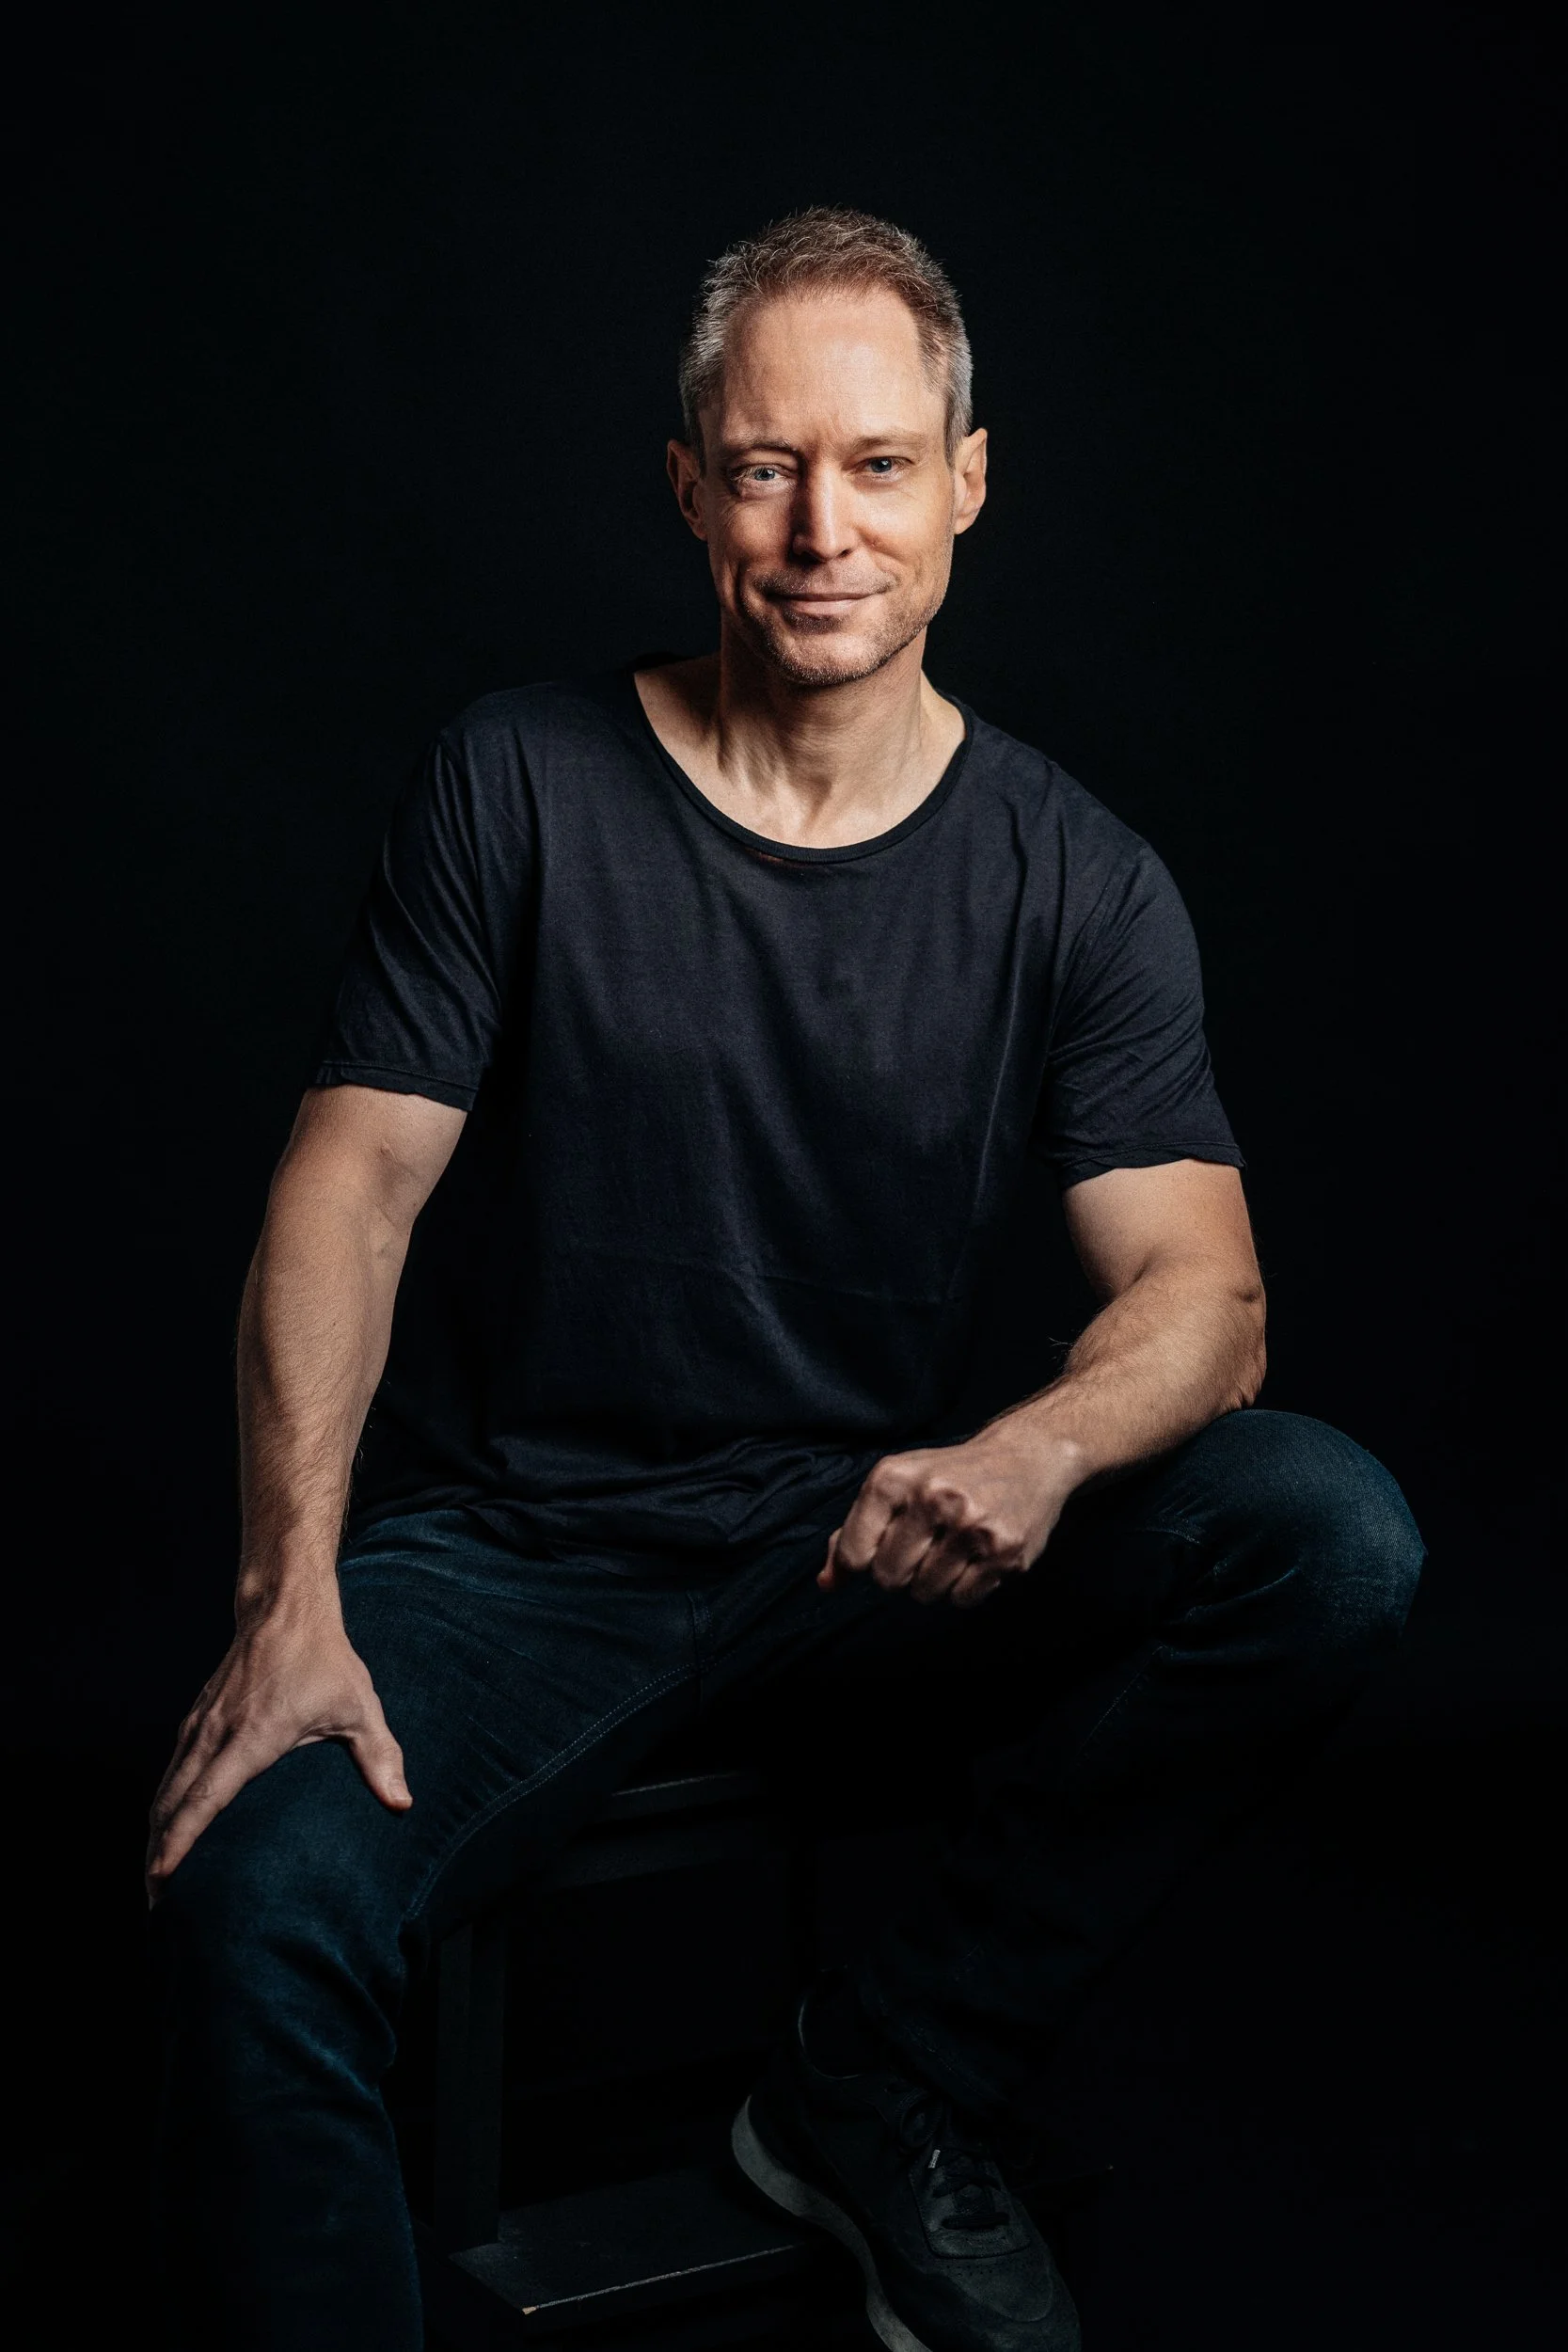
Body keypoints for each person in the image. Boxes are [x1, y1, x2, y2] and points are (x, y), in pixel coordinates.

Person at [147, 208, 1423, 2352]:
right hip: (523, 1560)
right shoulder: (514, 779)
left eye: (878, 465)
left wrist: (1028, 1451)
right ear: (687, 488)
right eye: (764, 468)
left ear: (967, 481)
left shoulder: (1076, 879)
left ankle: (883, 2075)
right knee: (246, 1893)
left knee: (1325, 1529)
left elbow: (1206, 1297)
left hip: (858, 1552)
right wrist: (291, 1593)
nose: (823, 531)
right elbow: (346, 1190)